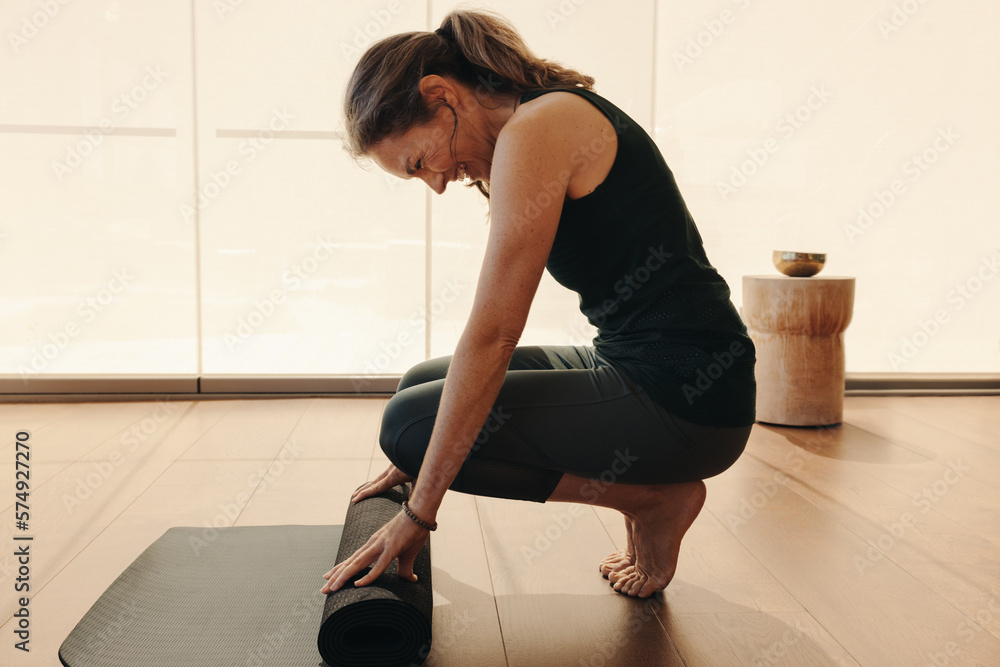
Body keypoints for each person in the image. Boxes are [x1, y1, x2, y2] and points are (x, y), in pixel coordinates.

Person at [322, 8, 756, 600]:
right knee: (418, 389)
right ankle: (647, 488)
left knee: (410, 425)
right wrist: (426, 445)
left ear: (440, 94)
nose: (438, 183)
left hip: (688, 398)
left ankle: (653, 497)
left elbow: (494, 333)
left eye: (419, 162)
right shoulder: (540, 117)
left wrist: (420, 507)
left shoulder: (537, 130)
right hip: (643, 365)